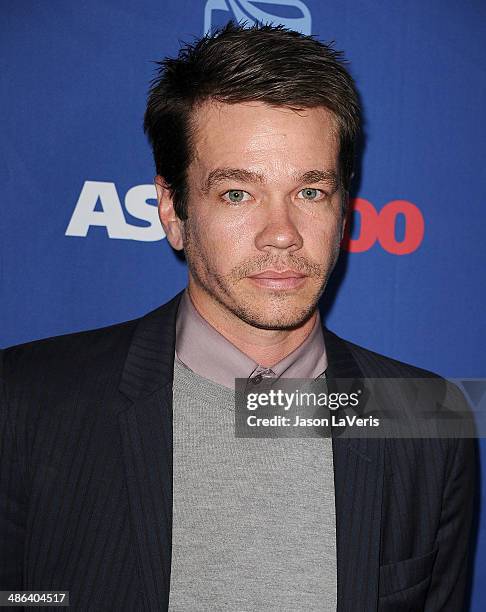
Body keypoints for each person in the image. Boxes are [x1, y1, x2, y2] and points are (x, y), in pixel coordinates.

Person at [0, 22, 475, 612]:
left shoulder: (425, 418)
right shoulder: (25, 400)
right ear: (172, 210)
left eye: (310, 192)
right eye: (237, 193)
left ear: (344, 210)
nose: (282, 235)